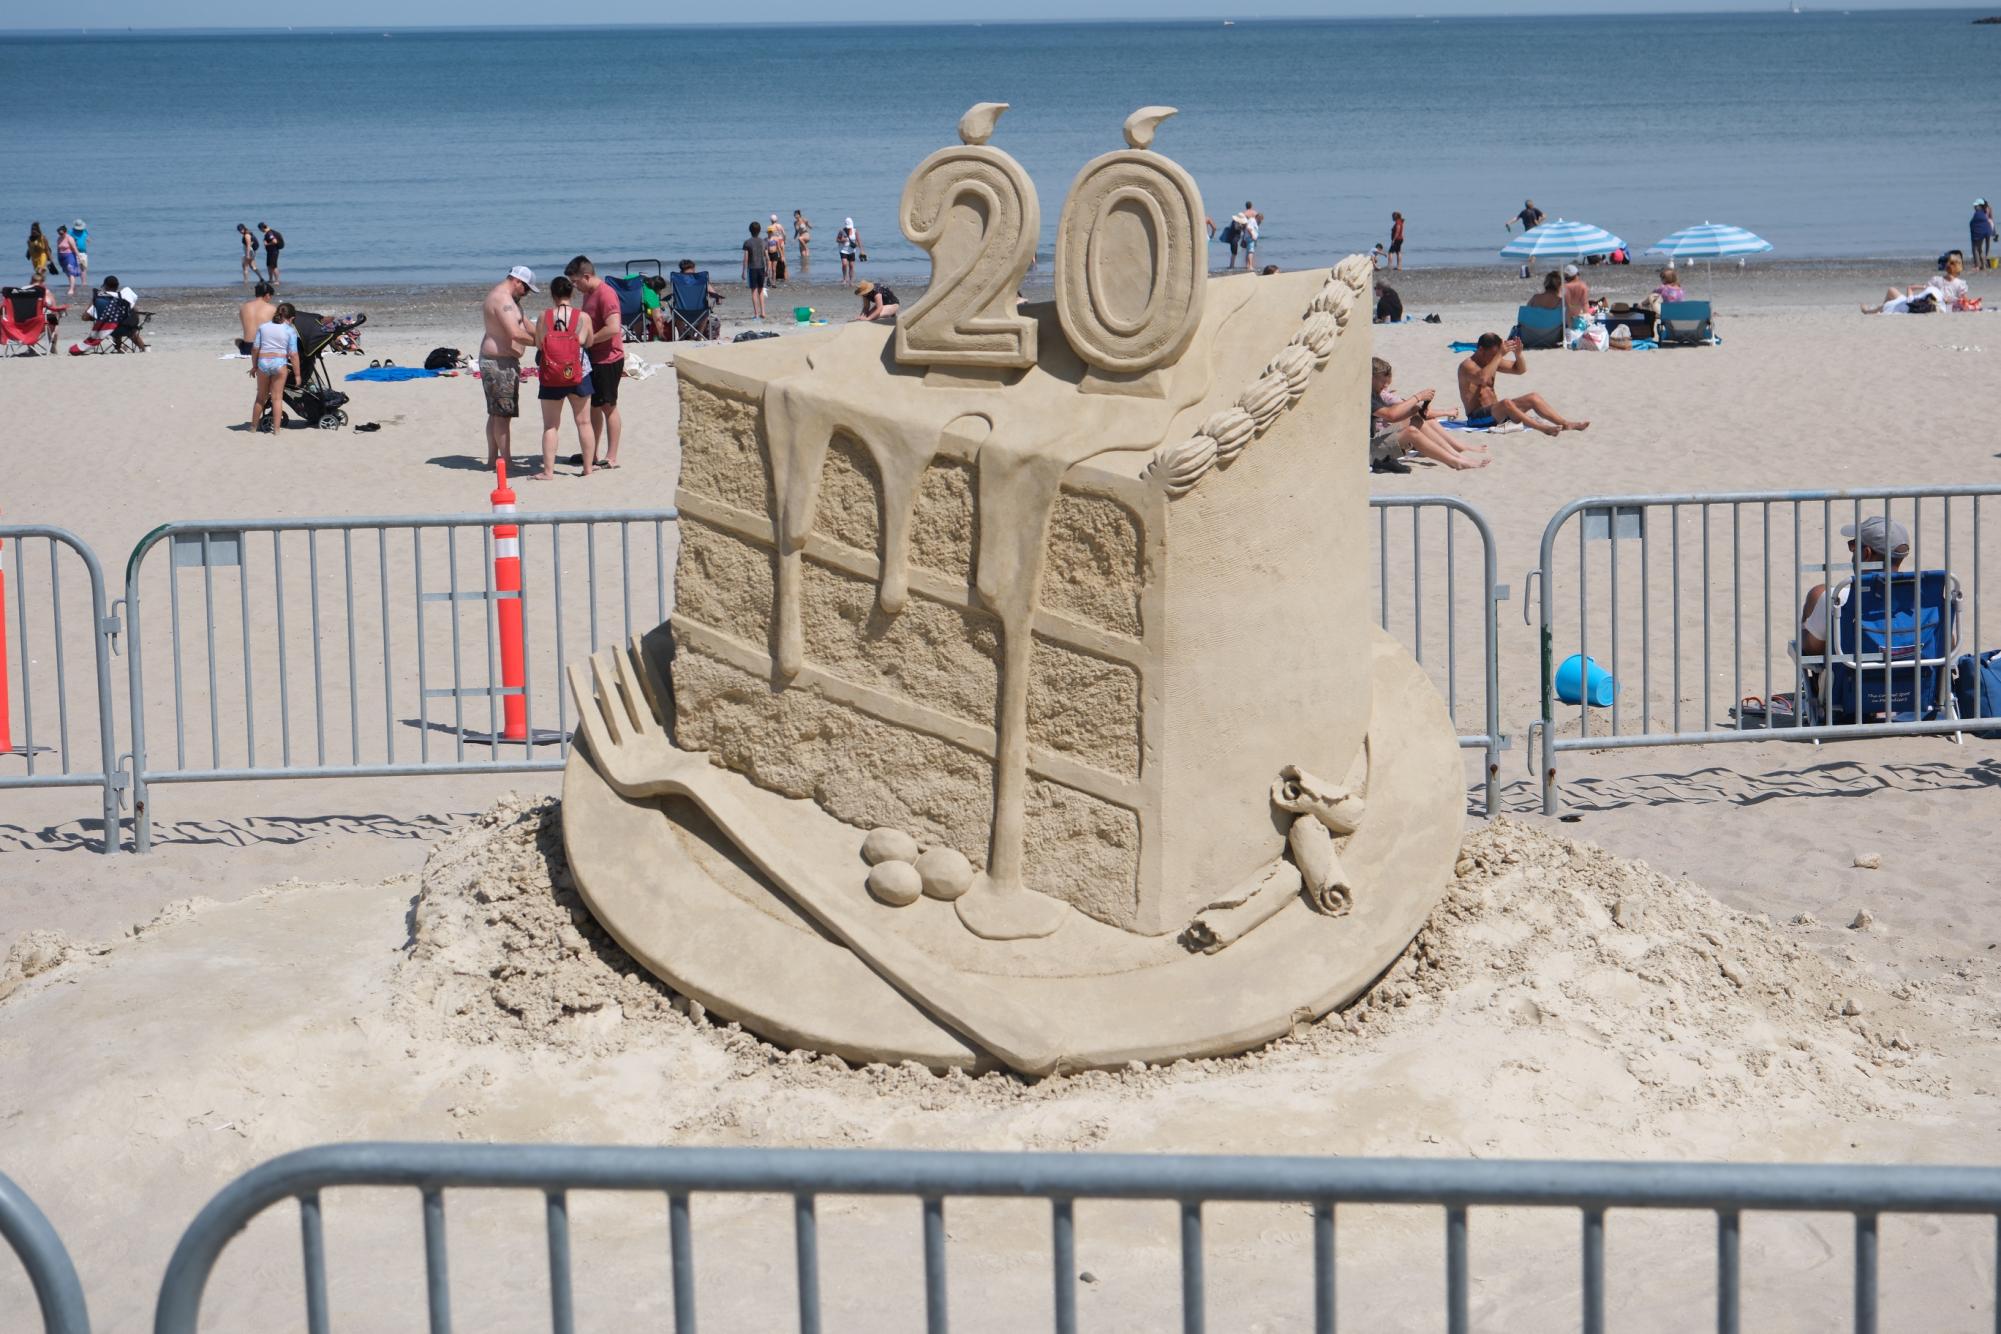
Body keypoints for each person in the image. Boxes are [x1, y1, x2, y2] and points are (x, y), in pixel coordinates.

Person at [1799, 516, 1909, 657]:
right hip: (1915, 677)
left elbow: (1812, 650)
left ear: (1866, 553)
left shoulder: (1835, 600)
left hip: (1854, 678)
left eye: (1853, 545)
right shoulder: (1923, 602)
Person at [531, 274, 598, 481]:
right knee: (584, 422)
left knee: (551, 425)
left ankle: (548, 472)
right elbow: (589, 342)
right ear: (572, 293)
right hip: (578, 372)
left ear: (553, 294)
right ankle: (587, 468)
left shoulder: (544, 316)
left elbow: (539, 344)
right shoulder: (583, 317)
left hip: (552, 373)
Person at [1457, 333, 1588, 437]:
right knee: (1506, 403)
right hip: (1477, 419)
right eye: (1492, 354)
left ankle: (1565, 424)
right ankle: (1542, 428)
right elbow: (1483, 378)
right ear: (1480, 350)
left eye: (1495, 355)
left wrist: (1518, 354)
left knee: (1533, 397)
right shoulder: (1467, 366)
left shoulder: (1491, 360)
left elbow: (1519, 370)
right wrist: (1500, 355)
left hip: (1498, 414)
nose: (1494, 358)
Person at [1370, 358, 1489, 472]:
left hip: (1374, 439)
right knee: (1412, 432)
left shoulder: (1376, 393)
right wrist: (1418, 397)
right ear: (1371, 377)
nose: (1385, 386)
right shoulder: (1368, 396)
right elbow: (1391, 416)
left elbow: (1396, 415)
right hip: (1368, 450)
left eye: (1387, 382)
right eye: (1383, 382)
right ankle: (1455, 462)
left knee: (1417, 420)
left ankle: (1457, 456)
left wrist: (1414, 410)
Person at [566, 255, 625, 471]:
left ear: (587, 276)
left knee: (609, 406)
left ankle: (611, 456)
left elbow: (613, 328)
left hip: (609, 357)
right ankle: (592, 452)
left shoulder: (606, 294)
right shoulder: (588, 293)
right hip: (593, 358)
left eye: (576, 282)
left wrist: (588, 340)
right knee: (594, 406)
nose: (574, 286)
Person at [478, 265, 538, 467]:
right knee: (501, 415)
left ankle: (493, 459)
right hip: (497, 363)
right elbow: (515, 333)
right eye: (527, 288)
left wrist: (548, 334)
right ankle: (507, 461)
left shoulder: (513, 300)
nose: (527, 293)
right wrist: (543, 343)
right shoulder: (502, 299)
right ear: (517, 282)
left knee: (496, 413)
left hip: (503, 361)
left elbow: (526, 324)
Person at [247, 302, 300, 436]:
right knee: (277, 398)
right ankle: (276, 430)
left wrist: (254, 366)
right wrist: (298, 374)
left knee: (260, 397)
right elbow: (293, 354)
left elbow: (255, 348)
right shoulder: (290, 331)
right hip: (279, 363)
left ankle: (253, 427)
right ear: (291, 318)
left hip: (263, 363)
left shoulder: (263, 327)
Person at [1862, 253, 1969, 314]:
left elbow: (1924, 293)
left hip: (1920, 304)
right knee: (1892, 295)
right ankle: (1878, 309)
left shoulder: (1936, 280)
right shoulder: (1960, 284)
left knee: (1891, 292)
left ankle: (1874, 310)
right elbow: (1964, 302)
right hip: (1933, 306)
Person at [674, 258, 724, 339]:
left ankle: (681, 335)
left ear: (681, 271)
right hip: (700, 312)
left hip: (681, 312)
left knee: (674, 309)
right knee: (706, 310)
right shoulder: (700, 281)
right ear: (694, 269)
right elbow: (713, 293)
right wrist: (718, 298)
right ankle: (699, 336)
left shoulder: (677, 281)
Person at [101, 275, 147, 351]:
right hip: (129, 327)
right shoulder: (126, 294)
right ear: (117, 286)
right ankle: (143, 349)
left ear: (105, 286)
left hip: (113, 330)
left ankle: (119, 348)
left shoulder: (102, 298)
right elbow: (135, 310)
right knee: (131, 330)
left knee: (114, 324)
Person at [237, 280, 277, 354]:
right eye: (271, 296)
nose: (270, 299)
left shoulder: (244, 307)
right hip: (264, 349)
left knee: (237, 341)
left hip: (247, 349)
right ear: (267, 295)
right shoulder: (272, 308)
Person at [742, 221, 770, 320]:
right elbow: (767, 257)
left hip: (752, 268)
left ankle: (756, 314)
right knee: (761, 290)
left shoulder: (747, 242)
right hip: (761, 268)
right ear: (760, 231)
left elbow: (746, 258)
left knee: (753, 291)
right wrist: (768, 269)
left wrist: (743, 271)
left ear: (750, 231)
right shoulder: (763, 242)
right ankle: (763, 312)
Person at [54, 225, 81, 298]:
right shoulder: (59, 238)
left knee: (71, 271)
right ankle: (72, 286)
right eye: (59, 233)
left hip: (70, 256)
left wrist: (79, 257)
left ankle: (71, 289)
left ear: (65, 232)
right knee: (67, 273)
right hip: (61, 256)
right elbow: (58, 249)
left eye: (62, 233)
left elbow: (75, 248)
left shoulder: (69, 238)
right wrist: (58, 258)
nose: (60, 234)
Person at [1971, 199, 1995, 271]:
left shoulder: (1979, 213)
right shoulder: (1986, 210)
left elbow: (1975, 222)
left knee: (1975, 248)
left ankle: (1977, 266)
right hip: (1987, 230)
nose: (1974, 207)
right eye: (1974, 206)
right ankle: (1983, 265)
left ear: (1980, 206)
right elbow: (1990, 219)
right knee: (1980, 248)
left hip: (1981, 232)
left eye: (1976, 206)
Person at [836, 217, 859, 285]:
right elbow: (837, 240)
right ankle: (844, 279)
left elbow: (858, 240)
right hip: (843, 250)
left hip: (852, 251)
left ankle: (851, 281)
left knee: (851, 266)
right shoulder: (841, 231)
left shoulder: (855, 231)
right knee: (844, 264)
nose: (848, 228)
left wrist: (861, 250)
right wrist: (842, 240)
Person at [767, 213, 788, 284]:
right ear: (777, 219)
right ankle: (785, 276)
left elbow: (769, 237)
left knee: (773, 260)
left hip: (774, 242)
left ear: (771, 220)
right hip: (781, 241)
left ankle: (773, 277)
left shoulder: (770, 227)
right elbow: (784, 234)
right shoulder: (779, 225)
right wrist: (785, 241)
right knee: (783, 259)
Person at [69, 219, 88, 284]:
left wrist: (88, 239)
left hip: (83, 252)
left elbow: (86, 237)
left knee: (83, 268)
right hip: (73, 252)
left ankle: (84, 283)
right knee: (73, 268)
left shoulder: (84, 231)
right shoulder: (71, 232)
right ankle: (73, 283)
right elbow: (68, 241)